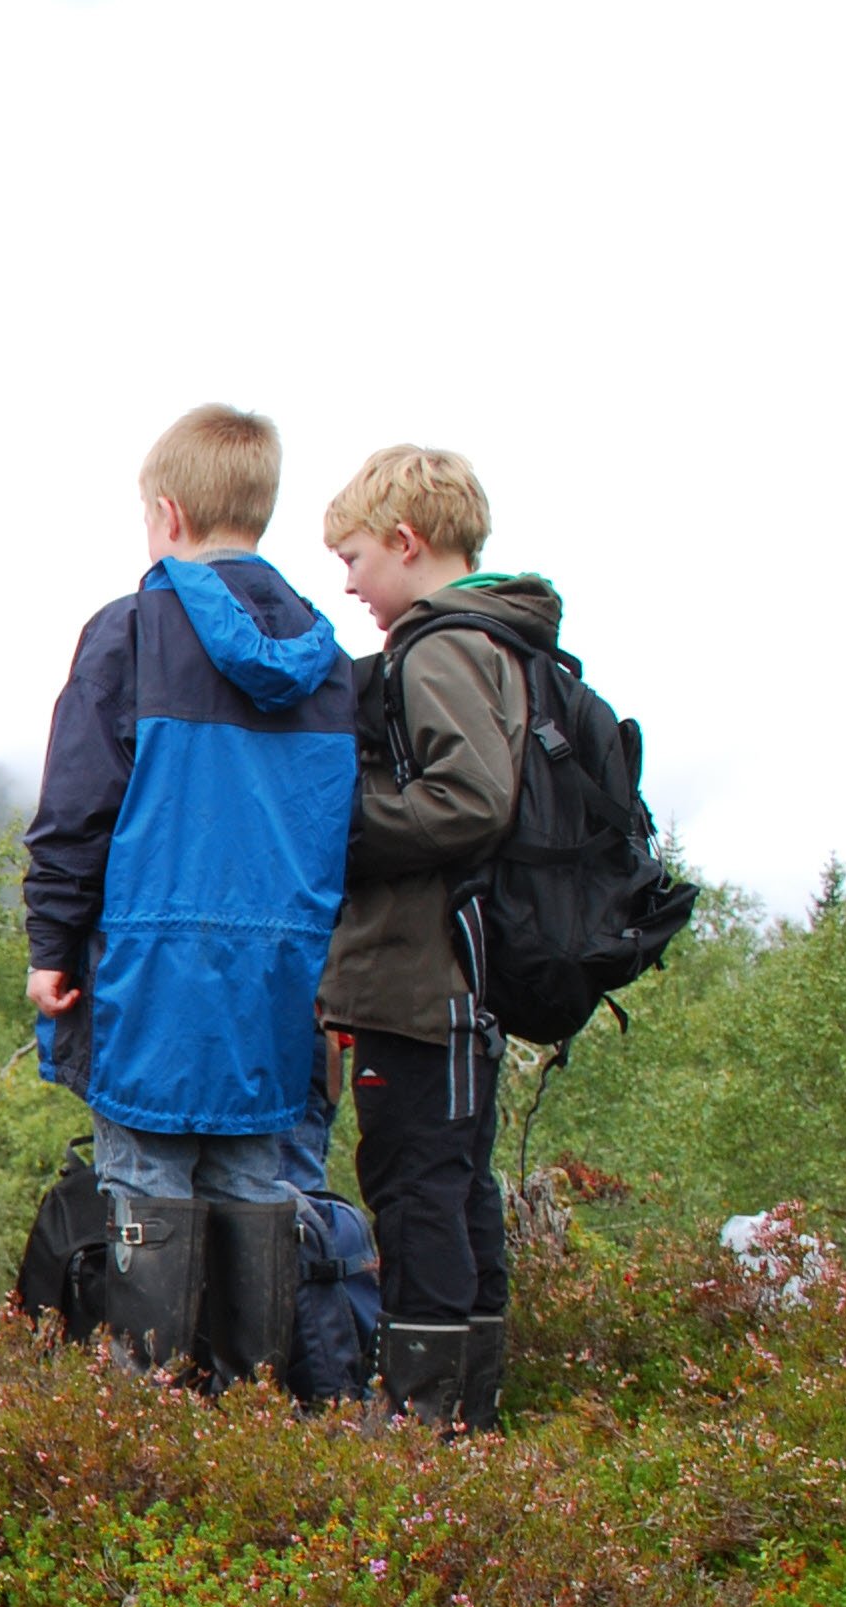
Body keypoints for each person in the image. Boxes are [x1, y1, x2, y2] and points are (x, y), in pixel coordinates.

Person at [20, 404, 356, 1388]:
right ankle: (253, 1414)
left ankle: (146, 1418)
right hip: (277, 983)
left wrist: (50, 946)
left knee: (144, 1177)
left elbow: (77, 808)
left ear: (166, 512)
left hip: (150, 971)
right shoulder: (331, 663)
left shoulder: (128, 634)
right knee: (257, 1174)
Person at [319, 443, 535, 1432]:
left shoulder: (442, 647)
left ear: (405, 541)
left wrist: (343, 826)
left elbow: (470, 798)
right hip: (455, 979)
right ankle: (465, 1417)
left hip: (423, 980)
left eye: (356, 556)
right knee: (451, 1190)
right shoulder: (491, 640)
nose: (351, 581)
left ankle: (424, 1426)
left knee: (417, 1193)